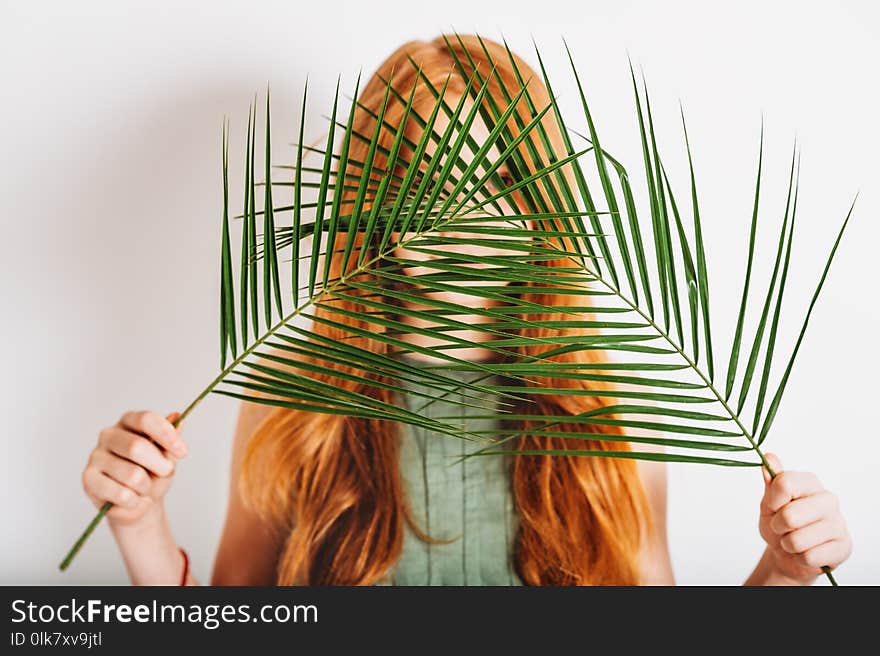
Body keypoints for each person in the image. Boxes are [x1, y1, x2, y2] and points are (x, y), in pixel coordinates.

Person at [80, 34, 852, 586]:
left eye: (492, 182)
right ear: (372, 200)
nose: (459, 216)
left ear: (539, 202)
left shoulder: (601, 404)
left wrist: (783, 571)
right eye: (423, 177)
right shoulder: (298, 396)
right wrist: (138, 522)